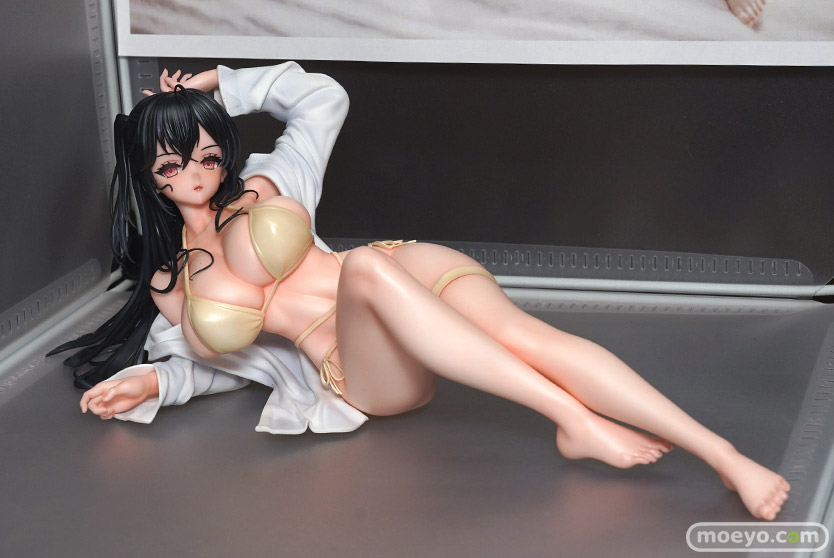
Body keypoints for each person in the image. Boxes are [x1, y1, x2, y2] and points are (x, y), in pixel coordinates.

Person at [52, 62, 789, 520]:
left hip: (403, 270)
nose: (196, 173)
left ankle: (724, 455)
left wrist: (216, 83)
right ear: (149, 176)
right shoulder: (171, 279)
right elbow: (226, 364)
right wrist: (156, 381)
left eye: (208, 155)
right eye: (173, 165)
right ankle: (573, 419)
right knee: (365, 274)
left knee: (531, 337)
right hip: (362, 365)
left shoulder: (271, 180)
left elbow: (321, 96)